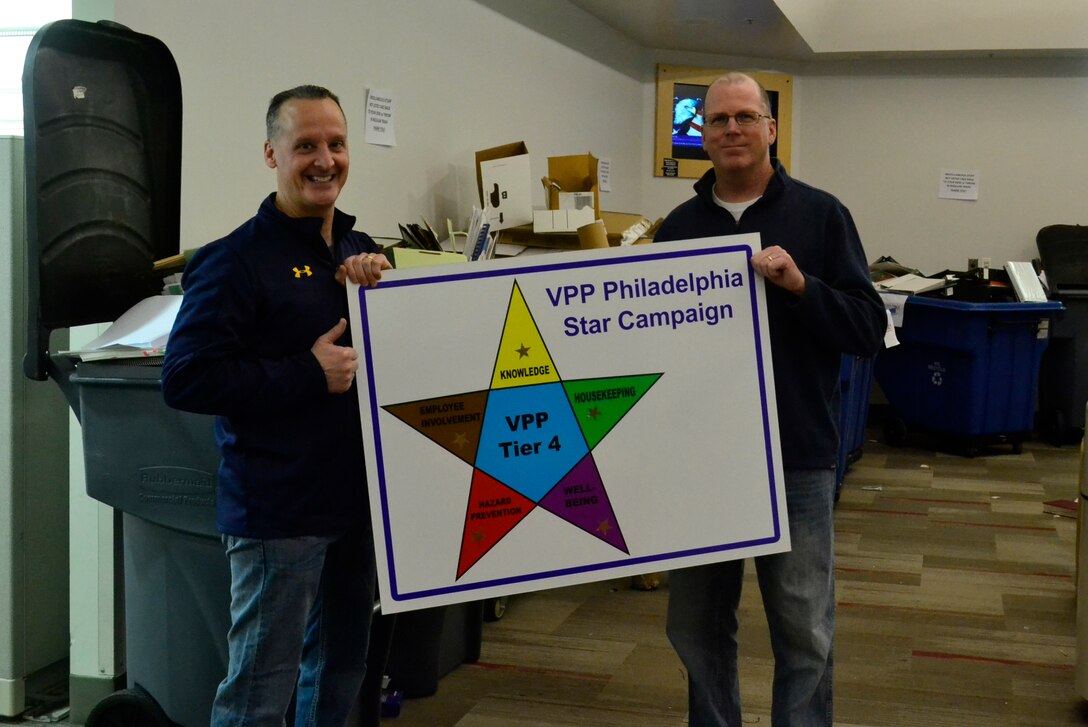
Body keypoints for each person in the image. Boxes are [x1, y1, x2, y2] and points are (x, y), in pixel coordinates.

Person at [654, 73, 886, 727]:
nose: (731, 129)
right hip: (701, 464)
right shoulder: (678, 227)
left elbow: (868, 328)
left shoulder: (820, 215)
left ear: (771, 129)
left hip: (796, 457)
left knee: (805, 632)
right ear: (703, 134)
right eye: (719, 119)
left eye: (745, 117)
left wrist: (800, 286)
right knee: (695, 627)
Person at [162, 84, 392, 727]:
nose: (325, 160)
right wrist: (303, 373)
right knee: (260, 691)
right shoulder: (232, 261)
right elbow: (185, 379)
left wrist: (384, 292)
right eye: (306, 146)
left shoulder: (357, 247)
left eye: (337, 144)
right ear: (272, 155)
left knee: (341, 670)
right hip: (277, 513)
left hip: (354, 506)